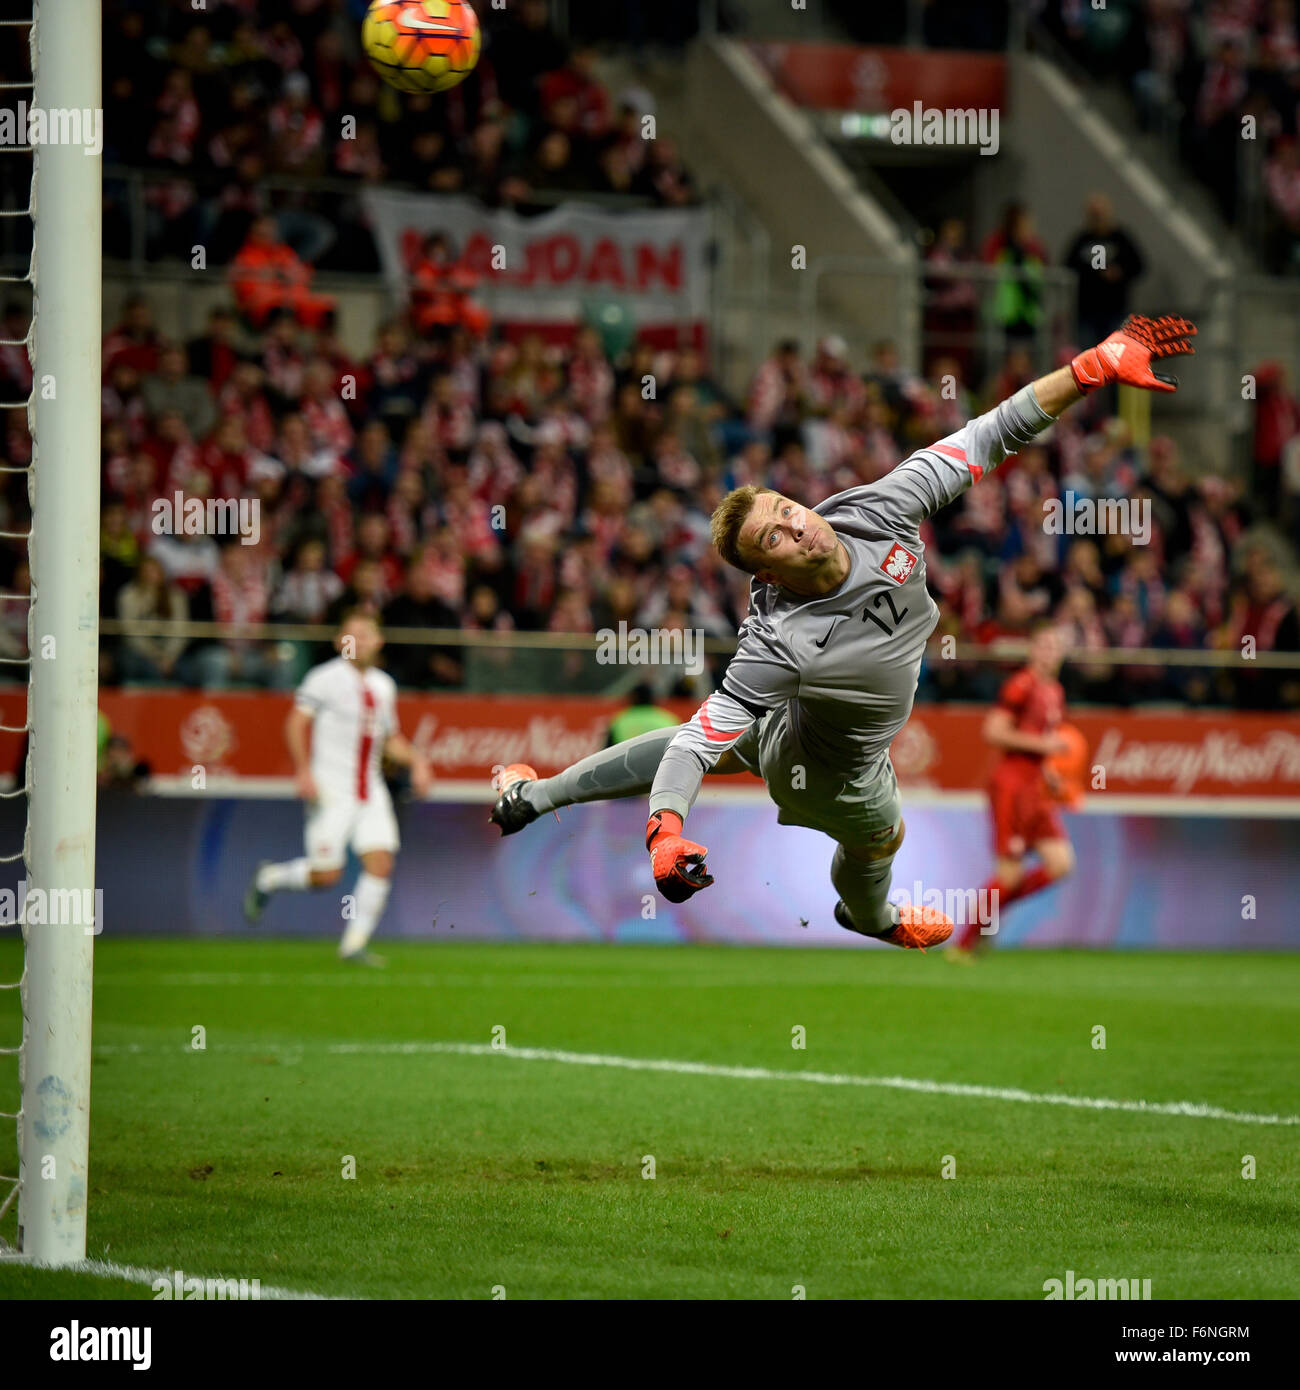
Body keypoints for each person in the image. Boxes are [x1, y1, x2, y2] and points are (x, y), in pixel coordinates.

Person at [490, 316, 1196, 950]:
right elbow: (698, 746)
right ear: (768, 572)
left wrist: (1090, 368)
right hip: (832, 767)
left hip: (791, 718)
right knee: (879, 837)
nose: (797, 525)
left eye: (787, 509)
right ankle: (871, 917)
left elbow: (994, 429)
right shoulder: (778, 640)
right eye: (776, 536)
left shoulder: (880, 506)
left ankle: (532, 796)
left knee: (719, 739)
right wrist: (666, 834)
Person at [243, 610, 432, 964]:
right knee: (327, 873)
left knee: (380, 861)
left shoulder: (383, 686)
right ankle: (269, 877)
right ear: (338, 642)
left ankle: (353, 945)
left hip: (370, 789)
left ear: (379, 642)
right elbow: (296, 723)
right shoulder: (324, 679)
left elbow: (389, 740)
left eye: (366, 634)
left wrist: (418, 762)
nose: (359, 641)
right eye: (351, 634)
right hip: (332, 789)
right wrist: (303, 771)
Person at [950, 624, 1077, 958]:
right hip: (1011, 785)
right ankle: (965, 944)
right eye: (1044, 645)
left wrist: (1048, 770)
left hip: (1035, 786)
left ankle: (992, 911)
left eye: (1055, 646)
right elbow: (993, 731)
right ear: (1032, 650)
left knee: (1061, 863)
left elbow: (1037, 740)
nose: (1050, 652)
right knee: (1009, 873)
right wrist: (1043, 744)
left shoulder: (1055, 692)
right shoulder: (1020, 685)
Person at [607, 681, 679, 747]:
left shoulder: (620, 720)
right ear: (653, 698)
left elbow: (608, 751)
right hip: (661, 760)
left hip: (629, 760)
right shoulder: (669, 719)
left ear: (633, 698)